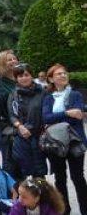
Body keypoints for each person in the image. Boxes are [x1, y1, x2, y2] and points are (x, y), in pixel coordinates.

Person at [39, 64, 86, 215]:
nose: (63, 75)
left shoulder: (75, 95)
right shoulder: (48, 98)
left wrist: (58, 117)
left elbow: (78, 115)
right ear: (51, 79)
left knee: (78, 177)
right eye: (58, 74)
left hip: (74, 141)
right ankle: (64, 211)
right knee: (60, 178)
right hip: (55, 143)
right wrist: (67, 112)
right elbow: (46, 117)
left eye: (65, 73)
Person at [6, 63, 45, 179]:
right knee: (20, 171)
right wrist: (20, 127)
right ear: (16, 78)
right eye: (20, 76)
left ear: (32, 76)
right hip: (21, 135)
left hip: (38, 135)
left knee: (39, 173)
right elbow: (12, 115)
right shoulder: (13, 95)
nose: (24, 78)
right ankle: (22, 196)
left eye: (26, 75)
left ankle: (41, 195)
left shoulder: (42, 92)